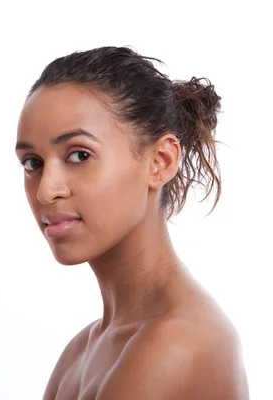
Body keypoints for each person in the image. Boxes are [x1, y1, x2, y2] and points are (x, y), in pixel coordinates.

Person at [15, 47, 249, 400]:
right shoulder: (83, 349)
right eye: (33, 163)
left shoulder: (176, 344)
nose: (46, 191)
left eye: (80, 155)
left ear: (160, 161)